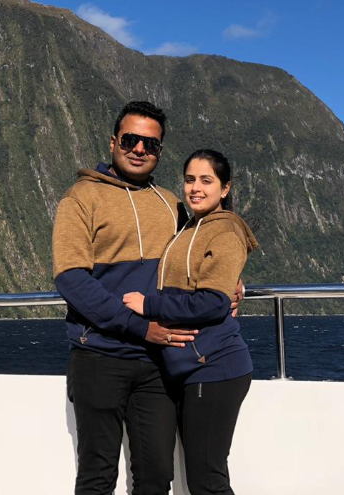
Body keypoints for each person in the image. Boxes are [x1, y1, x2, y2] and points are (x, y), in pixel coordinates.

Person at [53, 100, 199, 495]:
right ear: (113, 142)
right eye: (130, 139)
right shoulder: (80, 198)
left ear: (160, 151)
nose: (139, 149)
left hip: (157, 363)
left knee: (156, 477)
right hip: (98, 356)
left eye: (150, 144)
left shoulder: (172, 204)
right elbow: (71, 278)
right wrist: (139, 326)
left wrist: (230, 283)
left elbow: (198, 257)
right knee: (97, 477)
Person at [123, 149, 257, 495]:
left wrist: (148, 305)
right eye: (189, 180)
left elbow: (213, 302)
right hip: (192, 365)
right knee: (201, 477)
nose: (195, 188)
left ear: (225, 188)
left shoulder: (225, 231)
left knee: (207, 480)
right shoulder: (191, 225)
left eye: (206, 180)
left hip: (214, 367)